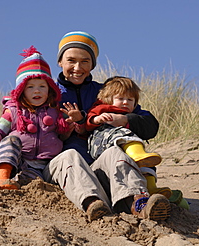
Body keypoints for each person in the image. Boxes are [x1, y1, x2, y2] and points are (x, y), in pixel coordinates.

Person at [42, 31, 171, 221]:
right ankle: (93, 205)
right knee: (70, 155)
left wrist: (125, 120)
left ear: (93, 64)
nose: (77, 67)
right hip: (62, 171)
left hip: (99, 169)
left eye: (85, 61)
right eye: (71, 60)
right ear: (60, 62)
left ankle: (140, 204)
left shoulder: (105, 93)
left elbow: (150, 125)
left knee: (114, 153)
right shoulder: (46, 92)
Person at [0, 46, 69, 191]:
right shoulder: (13, 111)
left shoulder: (55, 111)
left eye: (42, 86)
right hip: (18, 159)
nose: (37, 90)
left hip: (43, 165)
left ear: (50, 89)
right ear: (21, 91)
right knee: (11, 140)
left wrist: (73, 122)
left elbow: (66, 133)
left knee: (28, 181)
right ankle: (0, 175)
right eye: (30, 87)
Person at [86, 76, 172, 198]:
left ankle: (152, 188)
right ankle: (137, 154)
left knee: (146, 165)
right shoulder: (103, 107)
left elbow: (151, 124)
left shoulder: (134, 113)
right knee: (122, 133)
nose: (126, 102)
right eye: (120, 98)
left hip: (124, 147)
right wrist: (97, 119)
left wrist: (126, 119)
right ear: (108, 99)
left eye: (130, 100)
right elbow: (89, 119)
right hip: (102, 143)